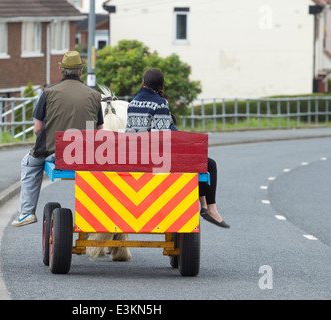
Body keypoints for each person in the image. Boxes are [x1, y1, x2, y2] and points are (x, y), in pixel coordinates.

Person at [125, 68, 229, 228]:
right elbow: (161, 137)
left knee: (199, 161)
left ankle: (204, 207)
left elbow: (130, 134)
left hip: (135, 158)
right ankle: (210, 209)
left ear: (143, 83)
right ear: (160, 85)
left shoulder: (132, 103)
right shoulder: (160, 103)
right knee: (209, 164)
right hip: (156, 161)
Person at [12, 51, 104, 227]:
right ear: (81, 72)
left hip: (54, 153)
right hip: (86, 154)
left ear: (61, 69)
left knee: (28, 163)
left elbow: (38, 129)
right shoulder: (94, 95)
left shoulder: (49, 93)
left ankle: (27, 212)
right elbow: (99, 131)